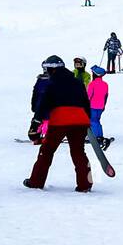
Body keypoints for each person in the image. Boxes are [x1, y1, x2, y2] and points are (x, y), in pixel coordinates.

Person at [23, 56, 93, 192]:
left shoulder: (52, 84)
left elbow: (43, 105)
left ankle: (36, 181)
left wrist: (35, 124)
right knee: (78, 152)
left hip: (60, 120)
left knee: (47, 151)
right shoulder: (77, 82)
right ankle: (85, 184)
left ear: (51, 69)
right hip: (80, 120)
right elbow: (86, 103)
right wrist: (87, 121)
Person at [87, 65, 111, 148]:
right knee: (97, 120)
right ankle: (100, 135)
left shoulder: (92, 84)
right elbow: (106, 96)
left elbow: (89, 96)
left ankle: (95, 137)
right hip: (101, 106)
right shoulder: (105, 84)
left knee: (92, 121)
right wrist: (104, 105)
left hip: (92, 106)